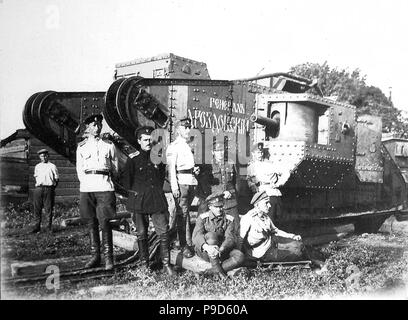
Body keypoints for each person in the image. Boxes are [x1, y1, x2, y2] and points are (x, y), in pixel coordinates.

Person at [121, 126, 176, 277]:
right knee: (141, 233)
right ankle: (145, 264)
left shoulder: (157, 157)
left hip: (156, 199)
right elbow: (127, 182)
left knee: (163, 232)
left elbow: (160, 178)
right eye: (145, 140)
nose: (148, 143)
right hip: (139, 200)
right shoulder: (133, 159)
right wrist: (136, 194)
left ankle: (166, 264)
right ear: (139, 141)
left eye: (150, 140)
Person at [76, 114, 118, 270]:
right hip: (87, 188)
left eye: (99, 124)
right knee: (91, 222)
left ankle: (109, 258)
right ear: (88, 127)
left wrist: (107, 181)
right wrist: (86, 183)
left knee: (105, 222)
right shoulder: (82, 146)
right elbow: (80, 169)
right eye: (93, 125)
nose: (97, 127)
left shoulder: (108, 145)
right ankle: (95, 256)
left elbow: (115, 167)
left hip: (105, 187)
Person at [240, 191, 305, 264]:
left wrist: (292, 236)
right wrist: (242, 258)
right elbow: (240, 238)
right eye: (266, 203)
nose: (270, 205)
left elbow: (276, 231)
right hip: (261, 253)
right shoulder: (248, 218)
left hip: (271, 243)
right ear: (257, 205)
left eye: (269, 202)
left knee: (299, 245)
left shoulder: (265, 216)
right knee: (297, 254)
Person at [166, 117, 199, 258]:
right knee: (183, 215)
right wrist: (174, 187)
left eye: (189, 127)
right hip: (181, 183)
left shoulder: (189, 145)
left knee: (183, 214)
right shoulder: (174, 146)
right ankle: (184, 245)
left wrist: (195, 171)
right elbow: (171, 169)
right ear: (178, 129)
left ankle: (178, 240)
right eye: (185, 127)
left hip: (191, 181)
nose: (188, 129)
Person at [192, 192, 245, 279]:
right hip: (205, 252)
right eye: (216, 207)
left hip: (221, 251)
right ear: (210, 207)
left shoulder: (229, 219)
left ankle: (210, 271)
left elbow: (230, 238)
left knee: (240, 256)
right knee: (212, 236)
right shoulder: (203, 218)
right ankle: (219, 271)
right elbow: (197, 236)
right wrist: (207, 247)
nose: (219, 209)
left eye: (221, 206)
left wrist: (221, 249)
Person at [196, 140, 239, 231]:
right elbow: (206, 185)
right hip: (215, 201)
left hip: (230, 201)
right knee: (214, 229)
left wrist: (231, 193)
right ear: (213, 152)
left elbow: (235, 182)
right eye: (217, 151)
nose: (220, 153)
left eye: (222, 150)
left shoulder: (231, 163)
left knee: (236, 228)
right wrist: (222, 192)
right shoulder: (208, 166)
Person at [246, 142, 290, 222]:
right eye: (258, 152)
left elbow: (286, 172)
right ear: (253, 154)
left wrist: (278, 184)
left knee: (271, 220)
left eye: (261, 152)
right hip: (258, 196)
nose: (260, 154)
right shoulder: (250, 167)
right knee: (260, 220)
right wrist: (252, 185)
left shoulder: (269, 165)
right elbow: (249, 179)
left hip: (271, 194)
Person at [31, 148, 59, 233]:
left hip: (49, 188)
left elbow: (57, 179)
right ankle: (36, 227)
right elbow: (36, 178)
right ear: (40, 157)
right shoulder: (37, 166)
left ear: (48, 156)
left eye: (45, 156)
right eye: (42, 156)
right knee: (37, 208)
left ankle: (48, 228)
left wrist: (52, 188)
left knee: (48, 208)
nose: (44, 157)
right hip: (39, 189)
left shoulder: (52, 166)